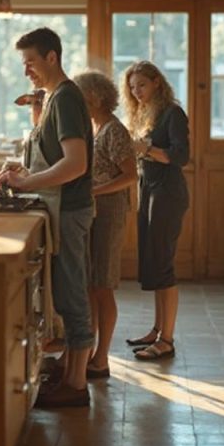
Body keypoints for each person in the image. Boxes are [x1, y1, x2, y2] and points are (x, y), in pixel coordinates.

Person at [0, 27, 94, 408]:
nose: (26, 71)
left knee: (72, 293)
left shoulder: (66, 98)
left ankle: (78, 384)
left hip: (69, 209)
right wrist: (20, 174)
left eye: (31, 62)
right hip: (61, 207)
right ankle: (70, 368)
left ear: (52, 57)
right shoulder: (54, 97)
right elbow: (52, 156)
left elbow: (76, 163)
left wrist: (27, 182)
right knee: (68, 292)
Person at [122, 60, 190, 361]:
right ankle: (157, 329)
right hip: (149, 191)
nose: (137, 92)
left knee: (163, 264)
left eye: (142, 85)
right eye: (133, 87)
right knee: (154, 262)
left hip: (168, 193)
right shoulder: (143, 113)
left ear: (157, 83)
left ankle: (167, 339)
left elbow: (180, 156)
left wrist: (145, 149)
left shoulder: (173, 113)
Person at [73, 70, 137, 378]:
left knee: (103, 285)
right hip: (95, 210)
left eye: (80, 96)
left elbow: (129, 176)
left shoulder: (113, 130)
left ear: (95, 98)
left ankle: (102, 358)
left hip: (109, 211)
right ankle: (90, 353)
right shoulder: (96, 127)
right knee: (91, 285)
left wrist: (95, 190)